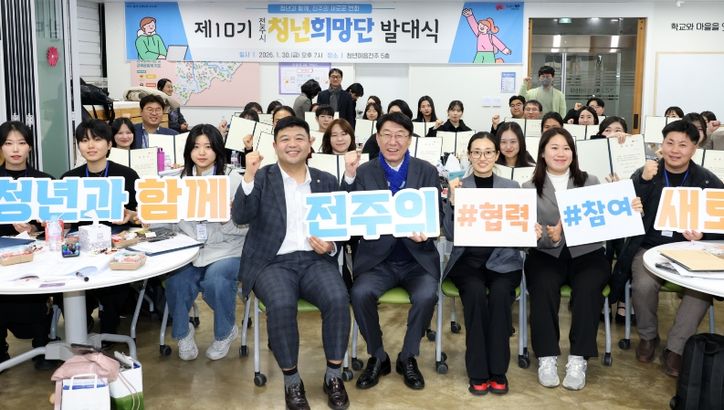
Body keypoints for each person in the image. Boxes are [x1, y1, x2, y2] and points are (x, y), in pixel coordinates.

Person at [232, 116, 351, 410]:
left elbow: (339, 227)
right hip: (272, 262)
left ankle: (334, 376)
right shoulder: (262, 177)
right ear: (274, 146)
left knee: (338, 298)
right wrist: (248, 176)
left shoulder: (326, 180)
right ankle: (292, 381)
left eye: (299, 138)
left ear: (310, 143)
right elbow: (241, 216)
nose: (292, 144)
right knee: (282, 304)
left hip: (315, 260)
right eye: (285, 139)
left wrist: (331, 246)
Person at [523, 128, 634, 390]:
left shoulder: (590, 181)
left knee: (587, 289)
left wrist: (630, 206)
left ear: (573, 153)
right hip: (547, 253)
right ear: (542, 153)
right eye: (554, 148)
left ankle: (578, 358)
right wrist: (550, 236)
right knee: (543, 287)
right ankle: (547, 357)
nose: (561, 153)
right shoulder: (528, 188)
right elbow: (528, 234)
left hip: (587, 253)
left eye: (566, 148)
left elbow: (605, 221)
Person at [342, 112, 442, 391]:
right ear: (377, 138)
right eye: (386, 134)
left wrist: (429, 231)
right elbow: (347, 214)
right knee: (360, 293)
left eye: (400, 135)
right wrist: (348, 176)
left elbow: (436, 213)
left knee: (426, 295)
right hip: (377, 260)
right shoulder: (364, 171)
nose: (393, 141)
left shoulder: (426, 170)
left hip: (417, 259)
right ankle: (378, 355)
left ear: (409, 139)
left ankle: (408, 356)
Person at [617, 121, 724, 377]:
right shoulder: (646, 173)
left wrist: (704, 234)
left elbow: (720, 221)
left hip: (692, 249)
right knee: (643, 285)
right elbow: (625, 210)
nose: (675, 150)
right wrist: (643, 181)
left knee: (700, 291)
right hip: (649, 246)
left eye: (683, 145)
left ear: (694, 148)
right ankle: (648, 337)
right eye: (670, 143)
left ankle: (676, 348)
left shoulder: (707, 180)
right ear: (661, 145)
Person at [444, 132, 523, 395]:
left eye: (488, 152)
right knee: (475, 295)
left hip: (504, 260)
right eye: (476, 152)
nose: (482, 157)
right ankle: (477, 371)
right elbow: (450, 234)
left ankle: (498, 370)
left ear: (497, 155)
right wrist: (453, 203)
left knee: (500, 295)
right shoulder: (459, 186)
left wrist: (529, 230)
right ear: (469, 155)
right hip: (468, 262)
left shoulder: (511, 188)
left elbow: (519, 230)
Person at [162, 125, 247, 361]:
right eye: (196, 147)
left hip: (227, 250)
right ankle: (183, 334)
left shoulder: (233, 180)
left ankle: (225, 332)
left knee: (217, 281)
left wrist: (227, 219)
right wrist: (152, 218)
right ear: (188, 150)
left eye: (208, 147)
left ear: (218, 150)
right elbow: (168, 225)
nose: (201, 152)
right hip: (189, 251)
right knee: (176, 281)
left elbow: (248, 228)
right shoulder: (176, 181)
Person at [62, 120, 141, 335]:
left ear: (109, 144)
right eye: (84, 140)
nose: (90, 145)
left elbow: (141, 217)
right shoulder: (69, 178)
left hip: (117, 244)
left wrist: (130, 215)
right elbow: (65, 221)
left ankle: (109, 323)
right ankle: (82, 321)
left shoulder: (127, 175)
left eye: (97, 139)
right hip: (79, 245)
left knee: (115, 286)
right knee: (63, 279)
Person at [0, 121, 55, 370]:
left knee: (35, 298)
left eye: (21, 143)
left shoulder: (44, 181)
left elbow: (57, 222)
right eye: (8, 143)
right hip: (2, 258)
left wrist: (36, 228)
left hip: (36, 258)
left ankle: (42, 346)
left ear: (30, 147)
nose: (15, 149)